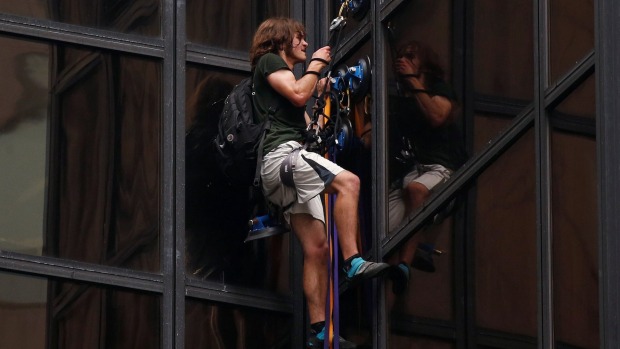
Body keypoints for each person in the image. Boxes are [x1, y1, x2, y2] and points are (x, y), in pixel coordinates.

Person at [249, 17, 391, 348]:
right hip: (282, 159)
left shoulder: (279, 85)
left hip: (287, 166)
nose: (304, 43)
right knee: (349, 183)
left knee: (317, 248)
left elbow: (306, 115)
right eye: (298, 38)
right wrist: (315, 68)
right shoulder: (269, 61)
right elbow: (299, 94)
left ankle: (318, 333)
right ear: (280, 40)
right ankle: (353, 263)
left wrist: (324, 86)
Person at [387, 41, 468, 283]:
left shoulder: (440, 89)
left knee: (416, 190)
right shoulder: (401, 103)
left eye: (411, 55)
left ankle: (405, 264)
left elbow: (437, 116)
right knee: (384, 229)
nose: (404, 60)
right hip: (414, 169)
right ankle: (410, 252)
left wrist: (412, 79)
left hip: (442, 168)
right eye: (401, 56)